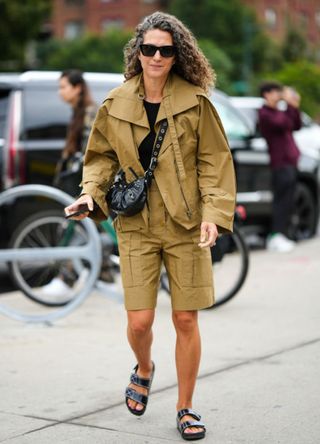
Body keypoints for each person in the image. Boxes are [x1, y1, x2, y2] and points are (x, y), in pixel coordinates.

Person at [65, 12, 236, 441]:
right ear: (137, 52)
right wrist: (90, 193)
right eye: (149, 49)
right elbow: (100, 158)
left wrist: (214, 215)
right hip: (137, 225)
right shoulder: (116, 102)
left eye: (166, 50)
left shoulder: (196, 102)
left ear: (177, 55)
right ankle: (144, 367)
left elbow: (215, 162)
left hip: (186, 225)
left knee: (185, 320)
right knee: (140, 322)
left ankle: (185, 406)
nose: (156, 56)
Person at [42, 70, 98, 296]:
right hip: (82, 179)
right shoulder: (77, 112)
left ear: (77, 88)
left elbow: (93, 149)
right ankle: (104, 274)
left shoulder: (90, 112)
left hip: (91, 180)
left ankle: (67, 279)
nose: (60, 92)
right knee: (87, 226)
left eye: (63, 86)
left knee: (77, 224)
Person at [258, 81, 302, 253]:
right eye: (275, 92)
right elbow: (283, 124)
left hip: (290, 163)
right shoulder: (265, 114)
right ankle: (276, 235)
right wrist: (289, 104)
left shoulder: (279, 112)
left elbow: (296, 124)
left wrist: (293, 106)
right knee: (281, 202)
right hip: (280, 164)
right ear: (266, 94)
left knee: (289, 201)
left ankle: (283, 235)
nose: (278, 95)